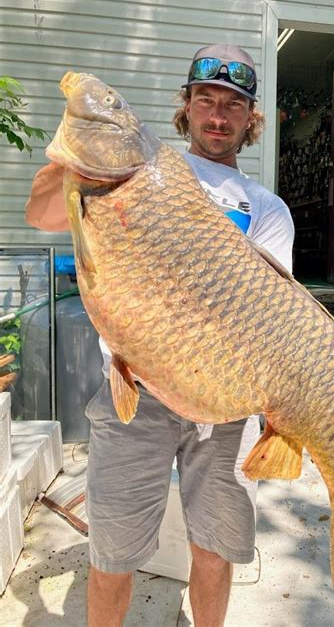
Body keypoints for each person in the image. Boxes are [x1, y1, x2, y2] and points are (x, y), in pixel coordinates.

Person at [27, 43, 295, 627]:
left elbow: (268, 315)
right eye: (206, 100)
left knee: (215, 545)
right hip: (134, 396)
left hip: (223, 406)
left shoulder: (266, 208)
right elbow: (43, 216)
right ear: (187, 107)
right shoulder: (139, 165)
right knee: (114, 550)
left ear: (250, 119)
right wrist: (72, 158)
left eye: (232, 105)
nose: (218, 115)